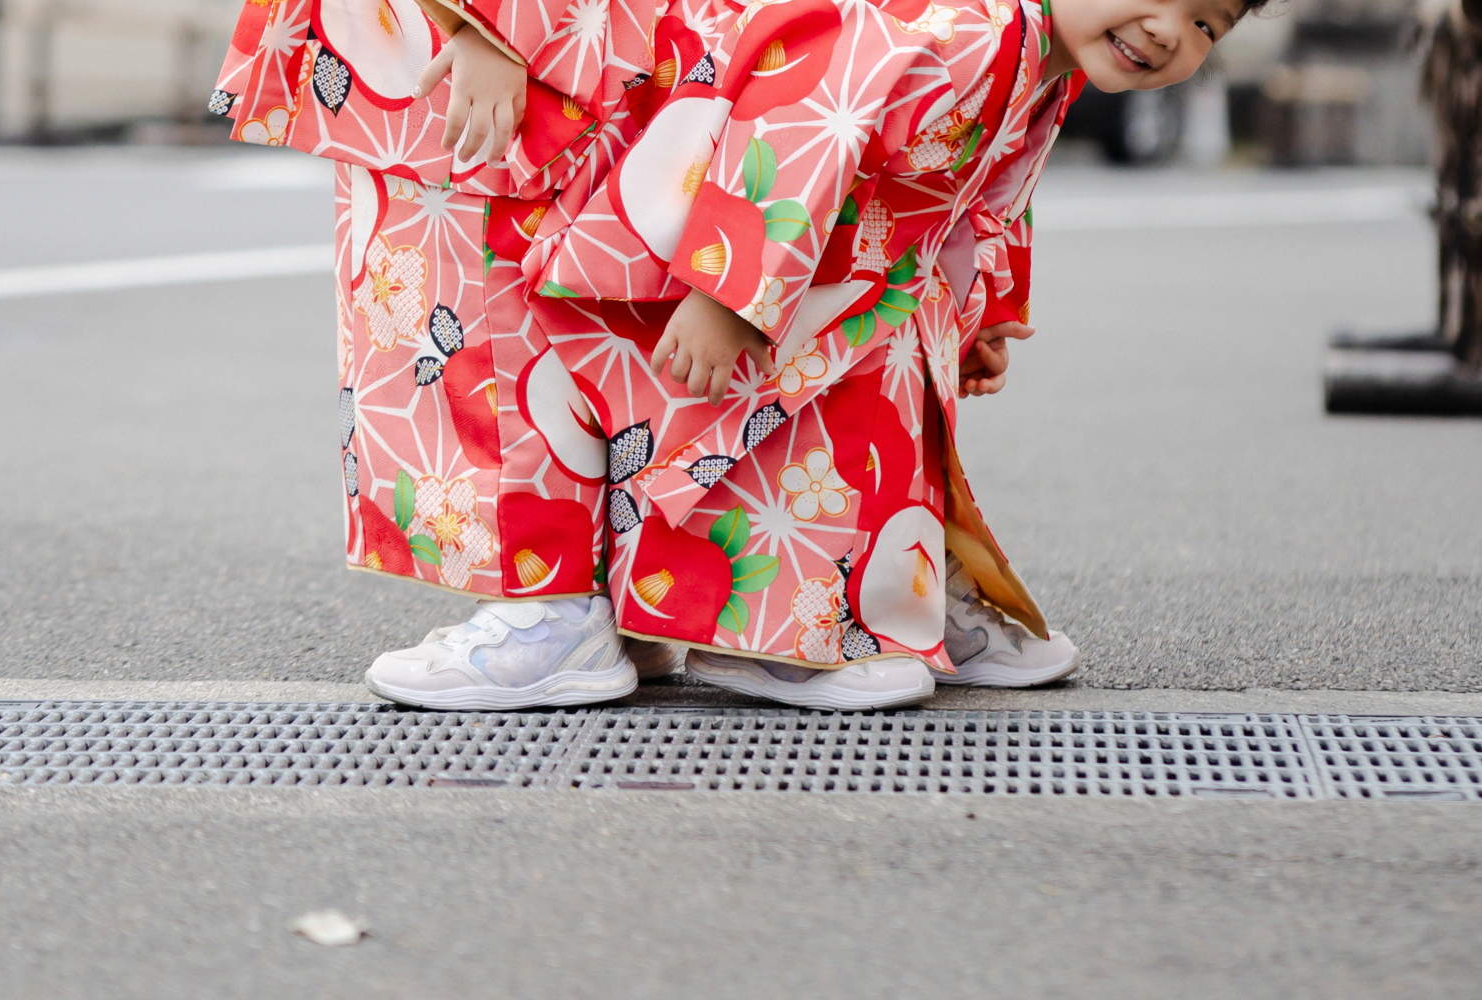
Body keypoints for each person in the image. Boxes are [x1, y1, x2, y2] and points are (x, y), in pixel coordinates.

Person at [207, 0, 1268, 710]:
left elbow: (967, 189)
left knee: (685, 400)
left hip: (708, 157)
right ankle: (571, 614)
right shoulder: (976, 30)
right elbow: (808, 127)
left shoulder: (1010, 41)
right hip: (566, 86)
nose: (1171, 29)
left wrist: (979, 305)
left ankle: (733, 614)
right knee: (500, 339)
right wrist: (480, 23)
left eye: (1208, 22)